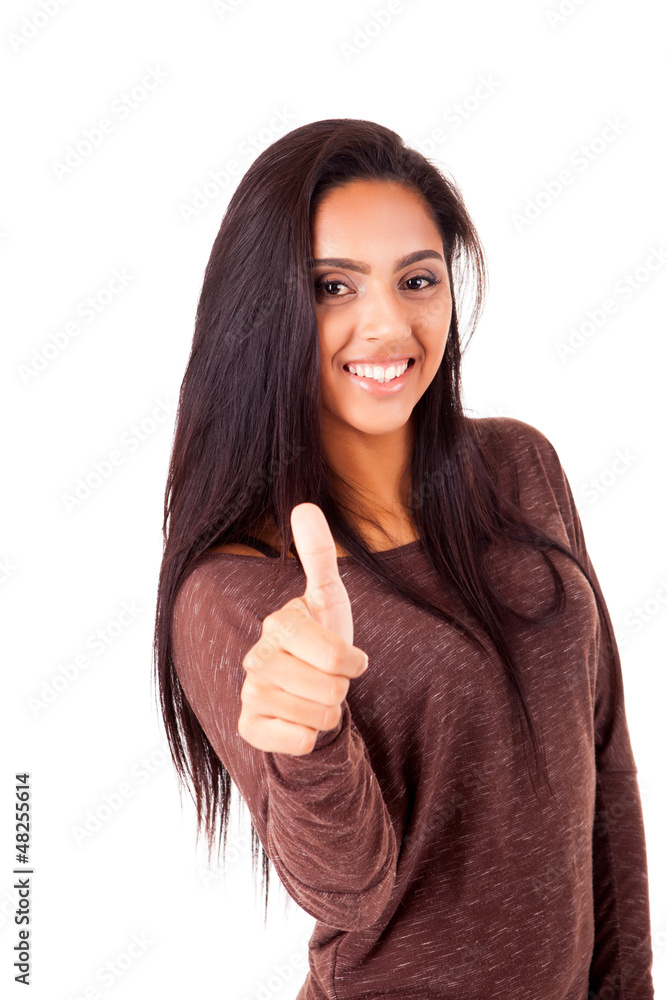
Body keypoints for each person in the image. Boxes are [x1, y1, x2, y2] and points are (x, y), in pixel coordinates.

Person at [153, 119, 654, 998]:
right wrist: (309, 746)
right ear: (261, 313)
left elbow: (601, 758)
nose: (386, 324)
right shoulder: (236, 589)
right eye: (332, 286)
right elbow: (348, 887)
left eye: (416, 280)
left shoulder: (520, 466)